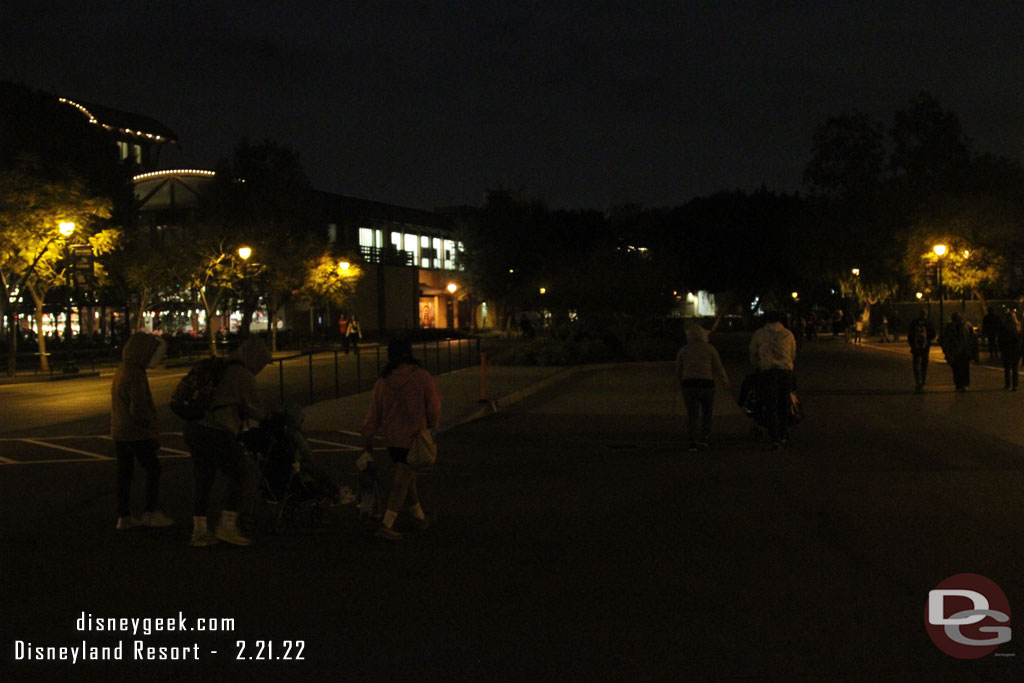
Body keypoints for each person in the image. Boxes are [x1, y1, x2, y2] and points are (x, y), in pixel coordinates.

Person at [184, 337, 271, 547]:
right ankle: (227, 526)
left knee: (203, 478)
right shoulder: (242, 374)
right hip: (216, 430)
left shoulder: (221, 366)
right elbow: (254, 409)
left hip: (193, 427)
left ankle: (200, 531)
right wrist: (271, 418)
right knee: (240, 473)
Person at [361, 338, 442, 541]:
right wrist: (432, 426)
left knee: (406, 477)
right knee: (402, 482)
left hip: (392, 441)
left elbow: (374, 413)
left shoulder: (383, 381)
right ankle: (387, 524)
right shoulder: (422, 377)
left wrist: (367, 437)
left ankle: (420, 517)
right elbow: (433, 406)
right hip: (413, 439)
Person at [110, 332, 173, 531]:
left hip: (120, 430)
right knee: (153, 469)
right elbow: (139, 409)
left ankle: (124, 516)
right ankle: (150, 512)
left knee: (124, 474)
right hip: (136, 432)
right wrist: (151, 429)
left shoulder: (122, 369)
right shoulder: (136, 374)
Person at [675, 324, 730, 452]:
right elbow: (718, 366)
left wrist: (680, 383)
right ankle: (704, 438)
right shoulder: (710, 349)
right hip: (706, 383)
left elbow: (678, 369)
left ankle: (692, 441)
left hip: (689, 384)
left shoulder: (684, 350)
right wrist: (725, 381)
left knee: (692, 414)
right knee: (707, 413)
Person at [749, 311, 797, 451]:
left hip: (768, 372)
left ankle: (774, 436)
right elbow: (792, 354)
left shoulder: (760, 334)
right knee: (784, 403)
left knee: (771, 404)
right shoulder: (788, 334)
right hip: (785, 372)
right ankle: (783, 433)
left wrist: (758, 365)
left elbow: (753, 352)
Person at [939, 312, 978, 392]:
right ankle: (963, 384)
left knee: (959, 369)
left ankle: (960, 384)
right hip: (961, 350)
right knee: (961, 368)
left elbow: (943, 339)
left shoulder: (950, 327)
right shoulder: (966, 326)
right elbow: (973, 339)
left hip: (959, 351)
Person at [907, 309, 936, 393]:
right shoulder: (929, 323)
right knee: (924, 364)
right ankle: (923, 380)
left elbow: (910, 334)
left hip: (916, 347)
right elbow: (933, 334)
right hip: (925, 347)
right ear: (926, 314)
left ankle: (918, 381)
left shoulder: (914, 323)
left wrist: (912, 344)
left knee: (916, 364)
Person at [998, 310, 1022, 391]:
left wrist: (1000, 348)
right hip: (1016, 349)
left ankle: (1007, 384)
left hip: (1007, 348)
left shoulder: (1004, 327)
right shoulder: (1018, 326)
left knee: (1007, 368)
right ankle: (1015, 385)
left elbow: (1001, 339)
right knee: (1015, 368)